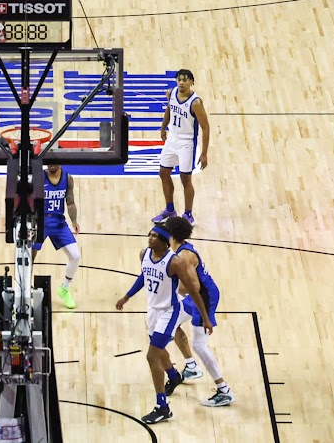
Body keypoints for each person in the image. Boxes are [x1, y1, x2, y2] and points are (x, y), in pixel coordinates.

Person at [115, 223, 212, 425]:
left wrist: (205, 317)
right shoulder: (144, 254)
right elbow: (144, 276)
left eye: (154, 236)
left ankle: (162, 407)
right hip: (152, 311)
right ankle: (173, 376)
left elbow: (194, 290)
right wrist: (126, 297)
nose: (149, 238)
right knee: (159, 352)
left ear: (164, 240)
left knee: (152, 355)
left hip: (169, 311)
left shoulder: (175, 262)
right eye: (149, 234)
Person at [162, 216, 234, 407]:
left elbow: (191, 286)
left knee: (200, 345)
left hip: (203, 297)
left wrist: (171, 289)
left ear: (172, 234)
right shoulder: (181, 248)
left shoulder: (185, 256)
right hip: (196, 295)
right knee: (172, 323)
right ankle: (192, 367)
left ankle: (224, 390)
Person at [152, 69, 210, 225]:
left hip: (186, 142)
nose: (182, 83)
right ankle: (169, 209)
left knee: (185, 179)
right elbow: (169, 110)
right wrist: (163, 127)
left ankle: (188, 214)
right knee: (163, 173)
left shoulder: (195, 102)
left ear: (191, 81)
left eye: (185, 80)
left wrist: (204, 153)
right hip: (172, 138)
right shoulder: (171, 93)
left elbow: (205, 127)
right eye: (179, 79)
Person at [26, 163, 83, 308]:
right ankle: (24, 292)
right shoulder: (39, 177)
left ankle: (64, 288)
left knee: (75, 256)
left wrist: (74, 221)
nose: (51, 164)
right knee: (28, 258)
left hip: (58, 222)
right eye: (49, 161)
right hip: (40, 221)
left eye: (54, 161)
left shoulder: (67, 178)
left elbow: (70, 203)